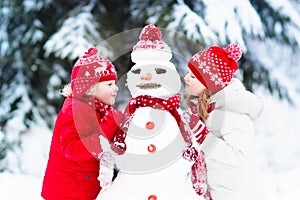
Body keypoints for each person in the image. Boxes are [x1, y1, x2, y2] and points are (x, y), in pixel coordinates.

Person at [184, 44, 266, 200]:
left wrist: (202, 136)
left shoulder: (231, 113)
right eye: (188, 74)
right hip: (219, 192)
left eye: (193, 77)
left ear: (209, 84)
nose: (186, 78)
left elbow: (238, 155)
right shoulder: (209, 109)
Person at [41, 47, 122, 200]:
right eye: (109, 84)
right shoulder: (75, 110)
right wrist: (110, 125)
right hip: (68, 193)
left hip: (83, 189)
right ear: (90, 88)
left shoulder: (99, 109)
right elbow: (72, 149)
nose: (116, 88)